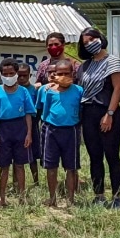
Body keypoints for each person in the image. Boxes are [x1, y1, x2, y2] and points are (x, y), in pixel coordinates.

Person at [76, 27, 120, 208]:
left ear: (100, 38)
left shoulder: (113, 62)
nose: (89, 43)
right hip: (88, 113)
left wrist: (110, 114)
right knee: (94, 155)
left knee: (112, 155)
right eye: (85, 41)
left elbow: (118, 89)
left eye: (92, 39)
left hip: (107, 112)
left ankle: (117, 196)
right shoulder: (84, 66)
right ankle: (98, 195)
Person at [0, 58, 35, 207]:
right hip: (3, 129)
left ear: (16, 73)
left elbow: (28, 113)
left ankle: (22, 197)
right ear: (1, 75)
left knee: (20, 165)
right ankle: (2, 198)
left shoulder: (23, 92)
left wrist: (29, 133)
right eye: (5, 74)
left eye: (11, 73)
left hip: (20, 128)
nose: (8, 76)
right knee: (4, 166)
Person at [39, 60, 83, 206]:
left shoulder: (78, 91)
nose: (63, 76)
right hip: (51, 130)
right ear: (54, 75)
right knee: (51, 166)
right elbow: (44, 111)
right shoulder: (48, 91)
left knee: (71, 167)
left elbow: (82, 111)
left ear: (73, 74)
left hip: (71, 131)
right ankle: (52, 198)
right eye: (60, 74)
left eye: (67, 73)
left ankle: (70, 199)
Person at [16, 62, 42, 188]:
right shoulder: (14, 90)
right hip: (17, 126)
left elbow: (39, 108)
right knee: (16, 157)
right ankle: (16, 182)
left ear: (30, 75)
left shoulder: (34, 90)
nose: (21, 78)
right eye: (19, 75)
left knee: (33, 156)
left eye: (24, 76)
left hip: (32, 126)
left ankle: (36, 181)